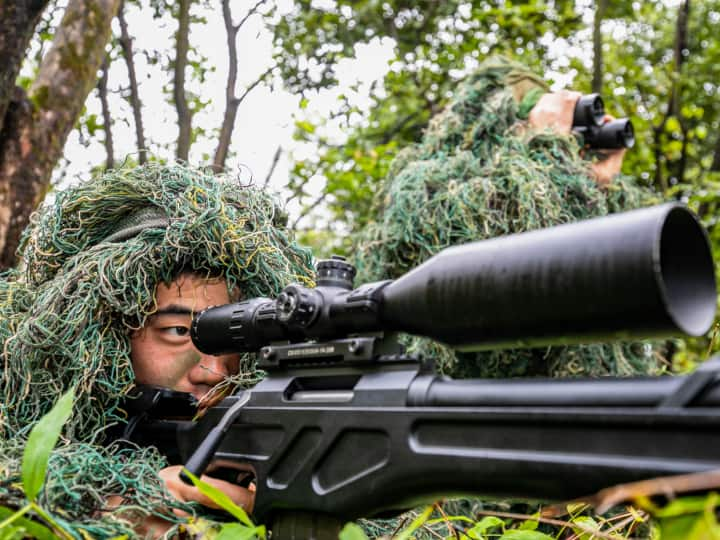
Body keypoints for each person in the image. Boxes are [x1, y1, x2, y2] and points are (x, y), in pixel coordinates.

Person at [0, 163, 314, 537]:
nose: (213, 371)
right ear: (105, 334)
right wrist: (112, 511)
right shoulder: (14, 402)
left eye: (234, 338)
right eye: (179, 330)